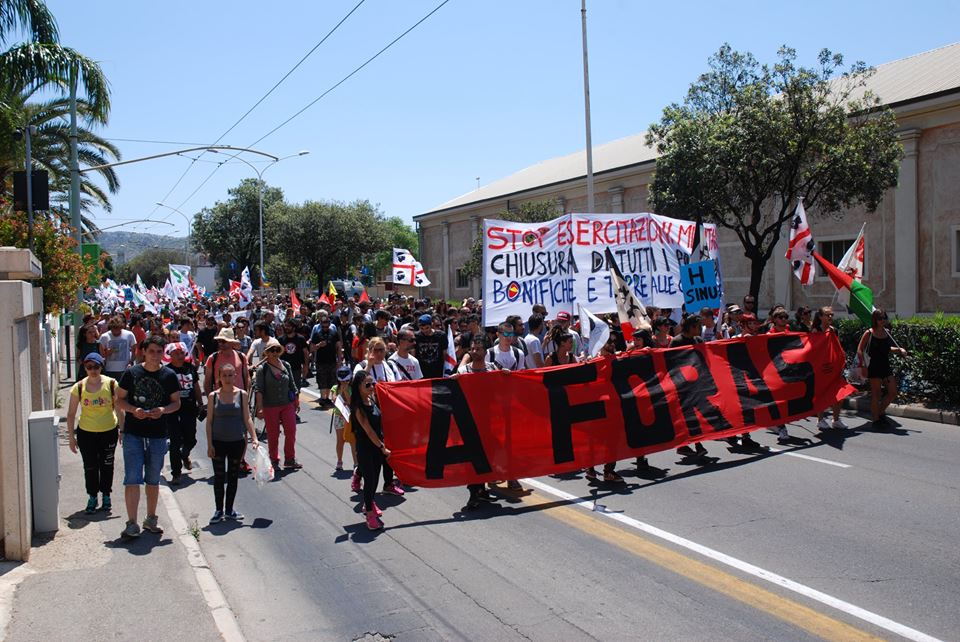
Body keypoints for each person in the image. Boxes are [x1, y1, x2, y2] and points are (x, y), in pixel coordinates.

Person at [115, 335, 181, 539]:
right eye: (151, 351)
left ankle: (151, 518)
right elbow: (119, 400)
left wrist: (162, 409)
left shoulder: (169, 375)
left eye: (159, 352)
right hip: (134, 433)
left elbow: (176, 403)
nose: (155, 355)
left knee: (153, 479)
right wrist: (134, 410)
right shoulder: (131, 373)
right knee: (132, 478)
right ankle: (131, 523)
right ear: (144, 351)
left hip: (158, 435)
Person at [66, 353, 119, 514]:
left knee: (107, 465)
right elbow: (70, 414)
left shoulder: (111, 384)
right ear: (85, 368)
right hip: (86, 433)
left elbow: (119, 409)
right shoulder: (79, 387)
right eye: (89, 367)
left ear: (101, 366)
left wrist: (123, 429)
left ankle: (106, 495)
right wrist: (71, 437)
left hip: (108, 431)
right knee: (90, 466)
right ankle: (92, 496)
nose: (93, 370)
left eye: (96, 366)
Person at [206, 363, 258, 523]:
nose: (227, 379)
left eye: (230, 375)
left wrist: (254, 438)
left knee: (233, 477)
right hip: (218, 442)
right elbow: (209, 422)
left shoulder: (242, 394)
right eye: (224, 375)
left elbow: (247, 418)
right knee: (220, 477)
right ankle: (218, 510)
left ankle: (229, 510)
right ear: (219, 377)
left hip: (237, 442)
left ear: (235, 376)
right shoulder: (213, 396)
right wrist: (209, 445)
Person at [455, 335, 501, 508]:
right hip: (469, 422)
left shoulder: (492, 369)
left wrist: (506, 377)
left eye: (478, 349)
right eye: (473, 348)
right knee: (472, 458)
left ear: (485, 351)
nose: (475, 352)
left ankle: (482, 489)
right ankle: (473, 492)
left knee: (488, 456)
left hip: (488, 422)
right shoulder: (463, 372)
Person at [349, 371, 393, 531]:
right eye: (367, 384)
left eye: (372, 383)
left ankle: (370, 503)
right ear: (359, 388)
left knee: (375, 479)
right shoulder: (358, 408)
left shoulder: (372, 399)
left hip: (377, 447)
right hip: (366, 448)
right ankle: (369, 514)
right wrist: (383, 447)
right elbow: (369, 431)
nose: (371, 386)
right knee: (369, 480)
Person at [254, 338, 302, 470]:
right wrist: (260, 409)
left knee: (291, 431)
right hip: (270, 406)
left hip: (287, 405)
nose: (274, 352)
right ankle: (274, 460)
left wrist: (296, 401)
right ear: (266, 353)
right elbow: (259, 390)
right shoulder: (262, 370)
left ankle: (290, 459)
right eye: (271, 350)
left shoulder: (286, 365)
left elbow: (292, 385)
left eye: (276, 350)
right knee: (273, 434)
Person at [857, 308, 908, 428]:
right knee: (876, 394)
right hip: (873, 366)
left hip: (885, 365)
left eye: (884, 317)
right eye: (880, 318)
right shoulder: (869, 333)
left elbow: (888, 348)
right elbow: (860, 349)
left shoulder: (887, 332)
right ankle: (876, 420)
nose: (882, 320)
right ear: (875, 319)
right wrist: (863, 365)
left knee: (893, 392)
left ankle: (879, 412)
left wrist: (900, 350)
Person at [164, 342, 204, 485]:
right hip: (173, 411)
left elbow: (196, 386)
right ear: (170, 355)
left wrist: (200, 403)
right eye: (176, 354)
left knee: (191, 439)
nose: (179, 356)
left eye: (181, 353)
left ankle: (185, 454)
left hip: (189, 409)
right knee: (175, 442)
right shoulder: (166, 371)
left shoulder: (190, 368)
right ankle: (176, 473)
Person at [812, 307, 848, 430]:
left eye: (831, 315)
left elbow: (837, 347)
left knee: (839, 393)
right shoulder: (816, 331)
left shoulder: (834, 330)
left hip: (833, 366)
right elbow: (813, 350)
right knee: (822, 394)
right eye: (827, 315)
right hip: (821, 367)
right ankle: (820, 420)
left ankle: (836, 419)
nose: (830, 317)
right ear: (820, 317)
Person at [204, 327, 249, 395]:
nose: (220, 344)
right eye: (219, 341)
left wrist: (246, 397)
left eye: (224, 341)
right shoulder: (212, 358)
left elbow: (247, 378)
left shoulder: (241, 357)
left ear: (231, 342)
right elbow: (207, 381)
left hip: (239, 397)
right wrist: (211, 400)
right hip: (220, 398)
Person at [310, 313, 342, 407]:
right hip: (321, 361)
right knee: (322, 379)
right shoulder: (316, 334)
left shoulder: (333, 333)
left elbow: (338, 347)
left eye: (327, 323)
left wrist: (339, 360)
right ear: (320, 323)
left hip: (332, 360)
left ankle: (327, 398)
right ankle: (323, 398)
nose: (325, 326)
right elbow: (311, 348)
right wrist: (318, 345)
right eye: (323, 324)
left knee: (331, 380)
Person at [330, 366, 357, 473]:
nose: (345, 382)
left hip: (350, 417)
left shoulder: (352, 389)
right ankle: (339, 461)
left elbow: (351, 402)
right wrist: (341, 391)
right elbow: (334, 400)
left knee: (352, 441)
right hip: (339, 417)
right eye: (343, 380)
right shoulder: (334, 388)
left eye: (347, 380)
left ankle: (356, 463)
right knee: (340, 440)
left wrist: (346, 391)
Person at [99, 315, 137, 381]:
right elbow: (101, 355)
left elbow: (134, 350)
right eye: (114, 329)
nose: (116, 331)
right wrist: (108, 352)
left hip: (125, 369)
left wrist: (131, 362)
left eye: (118, 329)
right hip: (109, 370)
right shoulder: (104, 337)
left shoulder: (129, 335)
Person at [414, 314, 448, 379]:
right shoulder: (416, 336)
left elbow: (444, 353)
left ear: (431, 325)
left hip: (437, 370)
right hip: (422, 370)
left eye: (427, 328)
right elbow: (414, 353)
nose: (424, 331)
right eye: (422, 328)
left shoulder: (441, 335)